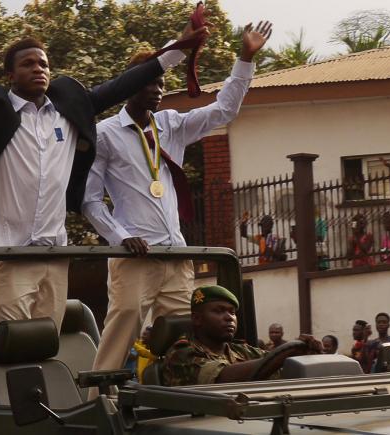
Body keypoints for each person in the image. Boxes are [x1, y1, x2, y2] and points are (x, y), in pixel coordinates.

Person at [0, 0, 203, 340]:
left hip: (54, 252)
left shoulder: (69, 110)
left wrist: (179, 49)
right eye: (28, 64)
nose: (38, 68)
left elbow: (124, 84)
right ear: (11, 75)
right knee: (11, 344)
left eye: (43, 63)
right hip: (8, 253)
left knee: (46, 342)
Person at [83, 21, 272, 386]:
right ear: (129, 85)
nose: (157, 90)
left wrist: (245, 57)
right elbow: (90, 201)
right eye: (150, 82)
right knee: (119, 338)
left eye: (161, 84)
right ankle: (94, 411)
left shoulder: (170, 125)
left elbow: (224, 111)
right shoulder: (105, 134)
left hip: (176, 256)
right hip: (134, 257)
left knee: (184, 340)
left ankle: (187, 407)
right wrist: (121, 238)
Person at [161, 285, 321, 386]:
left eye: (232, 312)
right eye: (219, 311)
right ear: (197, 319)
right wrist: (284, 353)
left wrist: (304, 355)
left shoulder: (242, 351)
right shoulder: (181, 353)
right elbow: (223, 379)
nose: (229, 317)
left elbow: (276, 365)